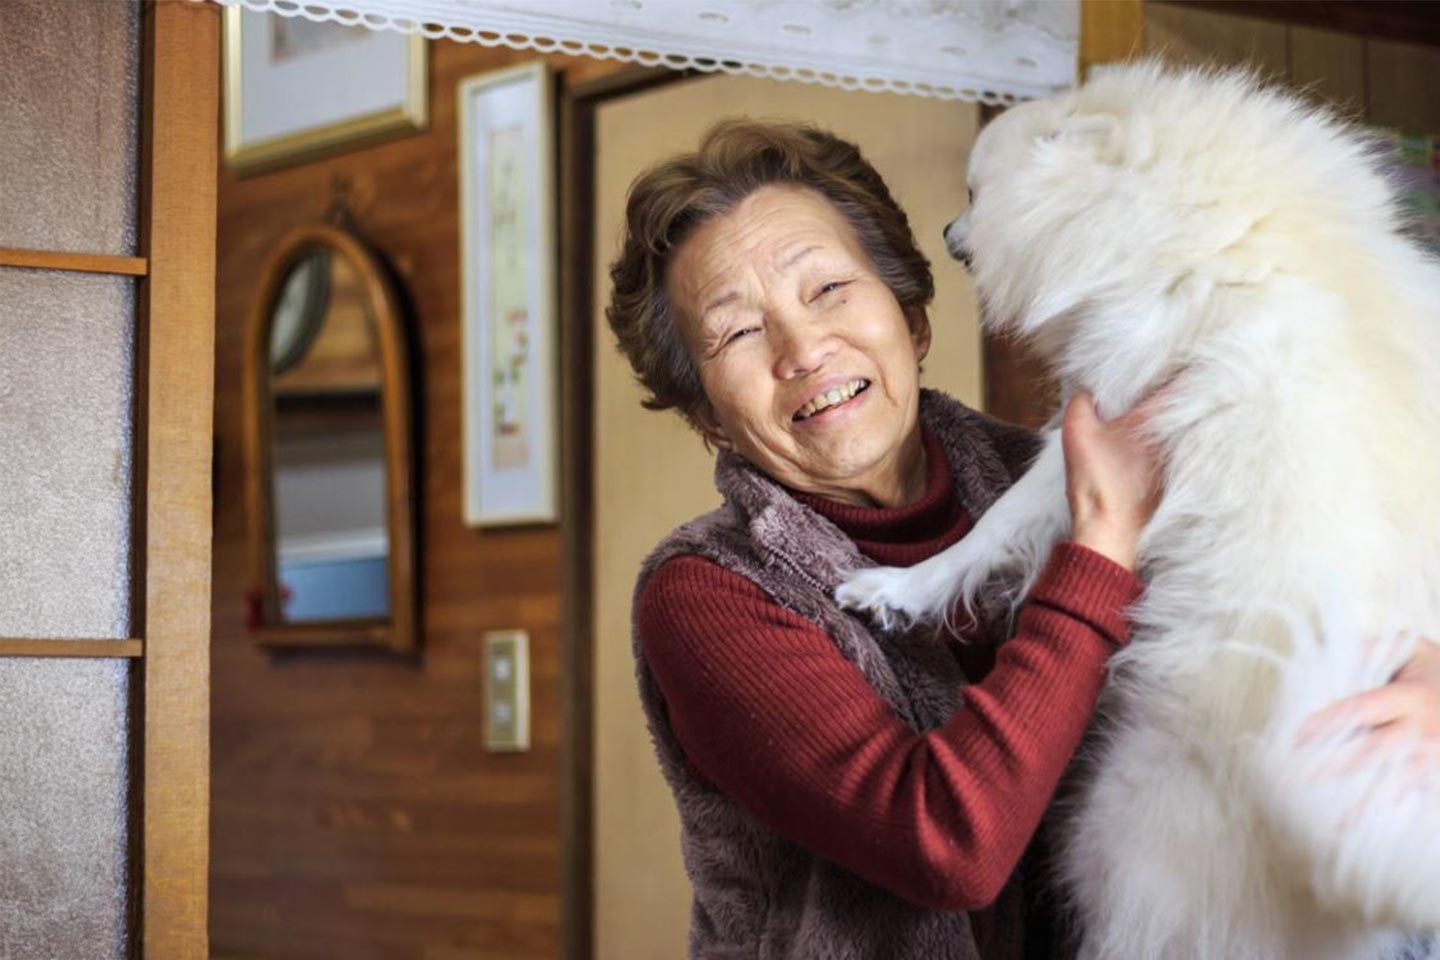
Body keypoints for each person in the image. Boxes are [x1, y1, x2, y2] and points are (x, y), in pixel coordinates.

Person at [605, 119, 1440, 959]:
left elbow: (1312, 567)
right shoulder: (706, 594)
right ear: (708, 415)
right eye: (738, 333)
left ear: (914, 320)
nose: (803, 348)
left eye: (827, 290)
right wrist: (1101, 548)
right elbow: (946, 846)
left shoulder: (1042, 470)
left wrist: (1425, 667)